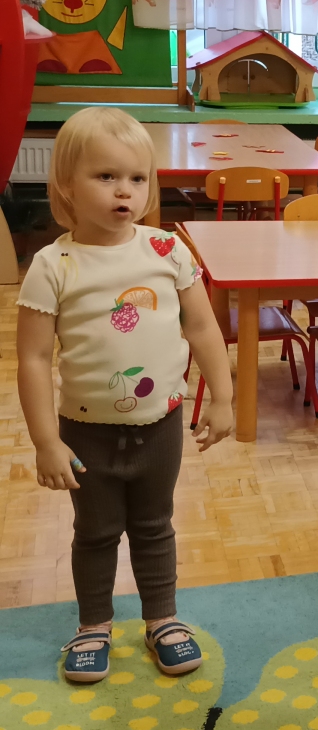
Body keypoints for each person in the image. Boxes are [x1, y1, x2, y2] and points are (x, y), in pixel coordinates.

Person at [16, 107, 233, 683]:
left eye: (137, 178)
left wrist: (223, 398)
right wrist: (45, 442)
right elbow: (33, 359)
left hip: (161, 425)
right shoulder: (52, 265)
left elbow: (203, 326)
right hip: (84, 432)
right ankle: (93, 625)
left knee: (155, 525)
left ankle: (163, 619)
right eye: (106, 176)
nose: (125, 191)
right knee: (95, 532)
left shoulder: (167, 251)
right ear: (66, 185)